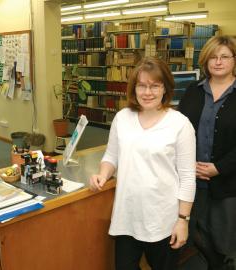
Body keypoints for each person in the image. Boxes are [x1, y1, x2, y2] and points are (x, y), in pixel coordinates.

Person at [89, 57, 196, 270]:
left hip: (163, 220)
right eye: (142, 85)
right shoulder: (122, 118)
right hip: (127, 217)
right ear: (134, 88)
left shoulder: (180, 124)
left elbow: (187, 177)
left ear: (165, 88)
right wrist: (102, 173)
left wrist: (183, 220)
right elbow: (111, 156)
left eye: (155, 86)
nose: (148, 92)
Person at [178, 35, 236, 270]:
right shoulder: (193, 90)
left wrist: (219, 168)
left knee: (225, 242)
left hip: (227, 183)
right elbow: (179, 129)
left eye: (224, 57)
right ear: (205, 60)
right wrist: (186, 164)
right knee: (194, 236)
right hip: (192, 180)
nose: (218, 62)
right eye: (213, 57)